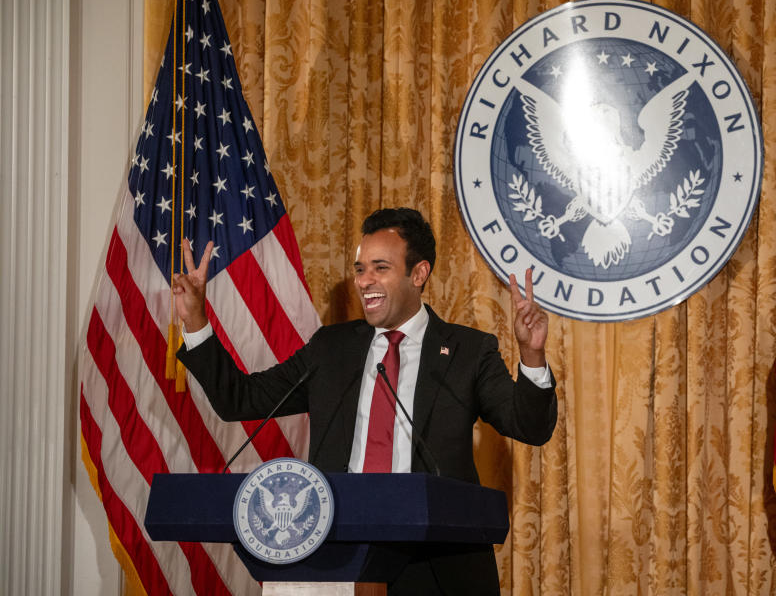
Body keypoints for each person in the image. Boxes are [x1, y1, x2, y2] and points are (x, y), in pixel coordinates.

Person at [173, 207, 558, 595]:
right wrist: (196, 322)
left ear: (418, 274)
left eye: (380, 268)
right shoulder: (331, 348)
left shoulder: (467, 351)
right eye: (360, 270)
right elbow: (240, 400)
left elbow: (528, 426)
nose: (365, 281)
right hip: (337, 554)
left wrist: (532, 356)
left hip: (434, 562)